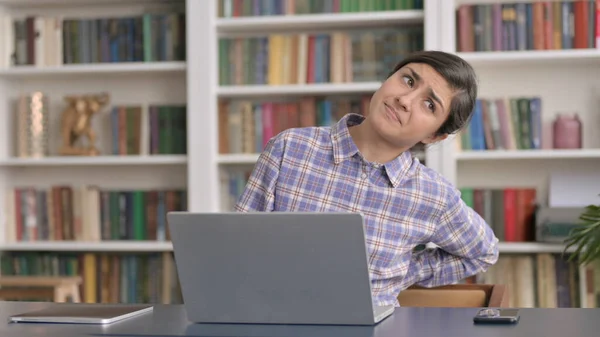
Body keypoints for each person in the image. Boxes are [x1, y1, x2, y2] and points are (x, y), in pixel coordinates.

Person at [234, 50, 499, 307]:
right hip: (273, 320)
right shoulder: (289, 148)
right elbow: (238, 246)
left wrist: (405, 271)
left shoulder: (433, 195)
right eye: (408, 80)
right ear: (388, 79)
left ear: (434, 136)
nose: (405, 100)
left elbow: (483, 252)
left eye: (429, 104)